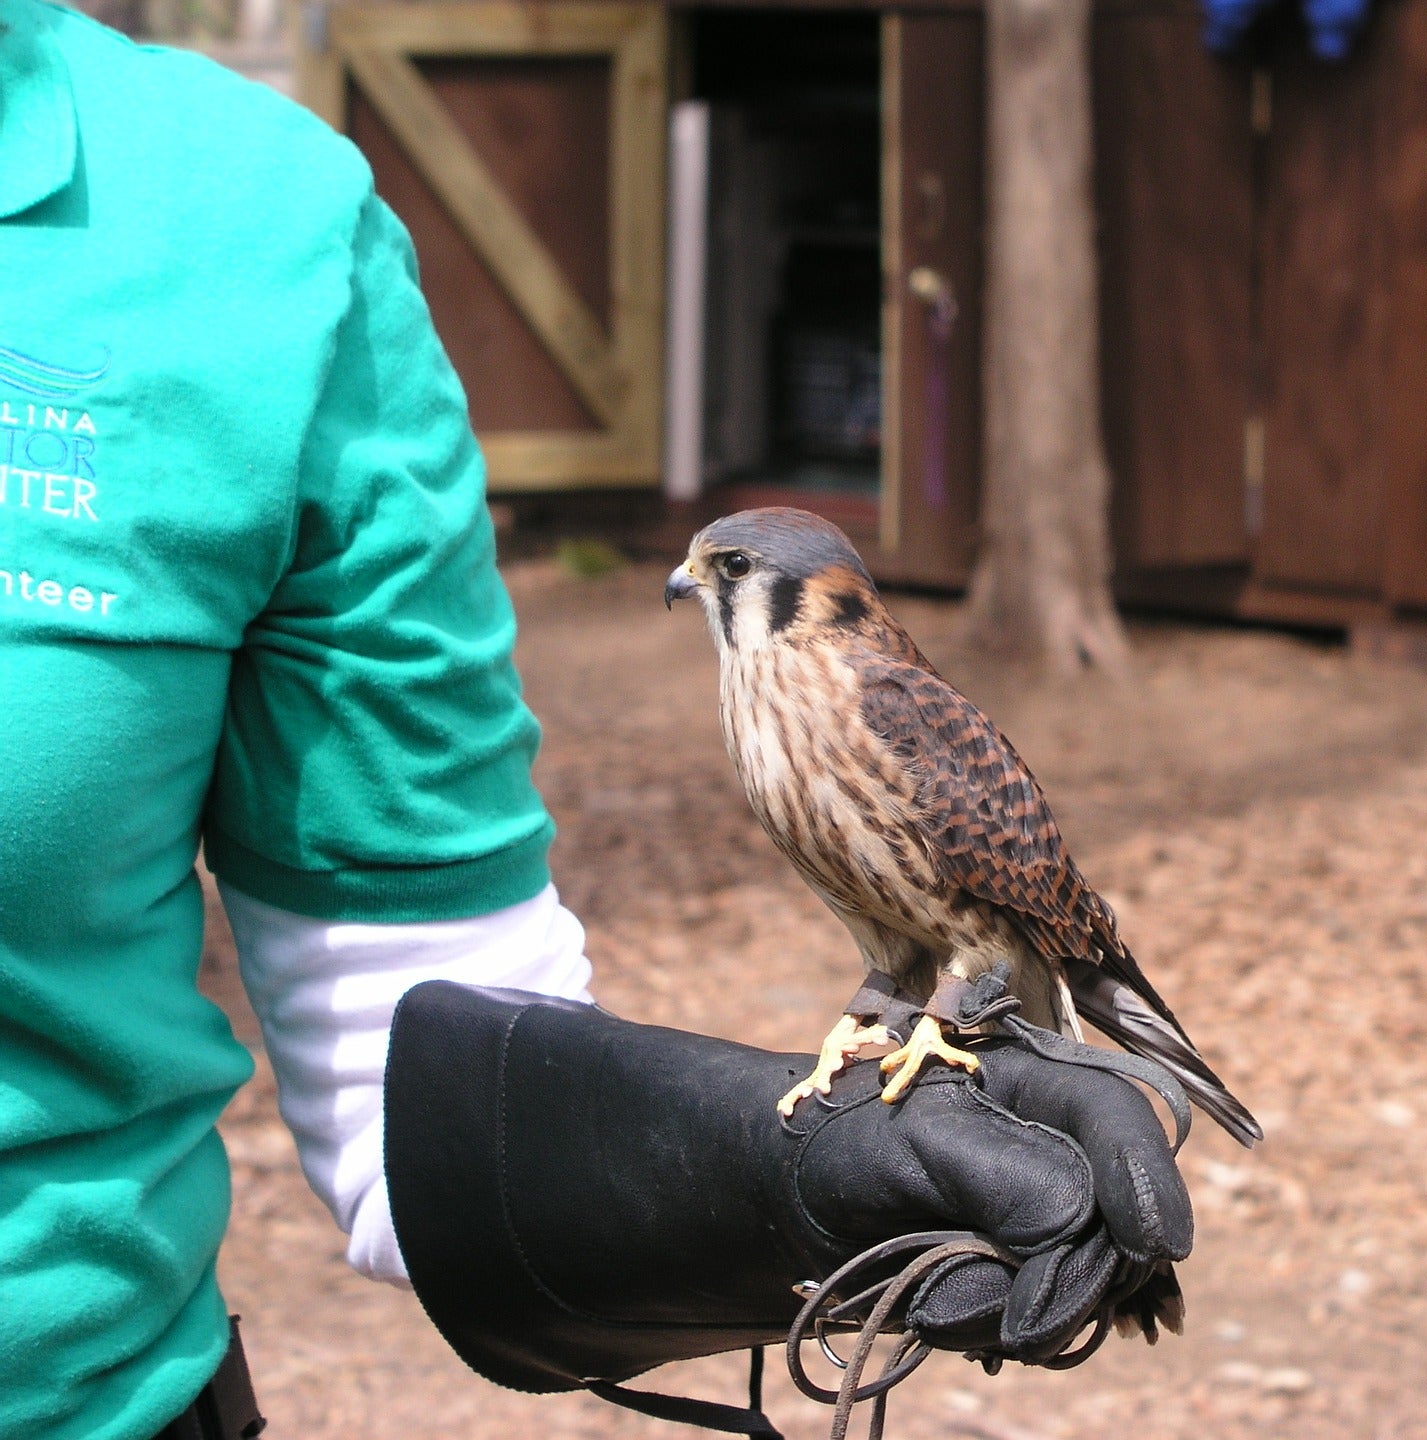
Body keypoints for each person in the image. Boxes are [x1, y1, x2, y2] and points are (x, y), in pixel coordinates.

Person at [0, 3, 1194, 1438]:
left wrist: (774, 1185)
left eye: (721, 570)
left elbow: (419, 1065)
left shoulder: (252, 234)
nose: (687, 588)